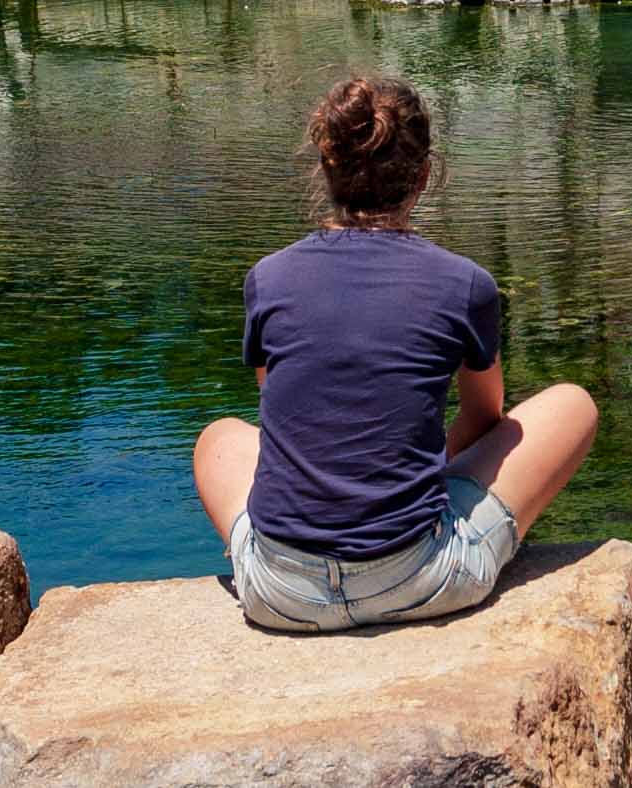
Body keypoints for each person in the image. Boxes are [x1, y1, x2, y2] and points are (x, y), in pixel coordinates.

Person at [192, 74, 597, 632]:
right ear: (425, 175)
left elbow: (281, 416)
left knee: (220, 437)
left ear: (325, 168)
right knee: (574, 404)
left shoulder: (269, 278)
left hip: (278, 593)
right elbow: (485, 417)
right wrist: (420, 476)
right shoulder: (464, 284)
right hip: (419, 580)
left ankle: (283, 555)